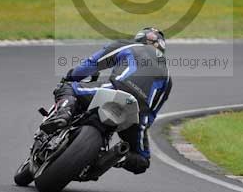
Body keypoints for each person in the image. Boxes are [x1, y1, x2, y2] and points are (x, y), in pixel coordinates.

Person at [41, 27, 172, 175]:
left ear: (139, 38)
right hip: (137, 112)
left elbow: (94, 63)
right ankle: (116, 157)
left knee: (68, 88)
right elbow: (152, 112)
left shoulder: (129, 45)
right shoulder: (168, 77)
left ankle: (63, 115)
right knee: (142, 160)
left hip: (115, 89)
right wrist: (140, 126)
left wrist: (72, 77)